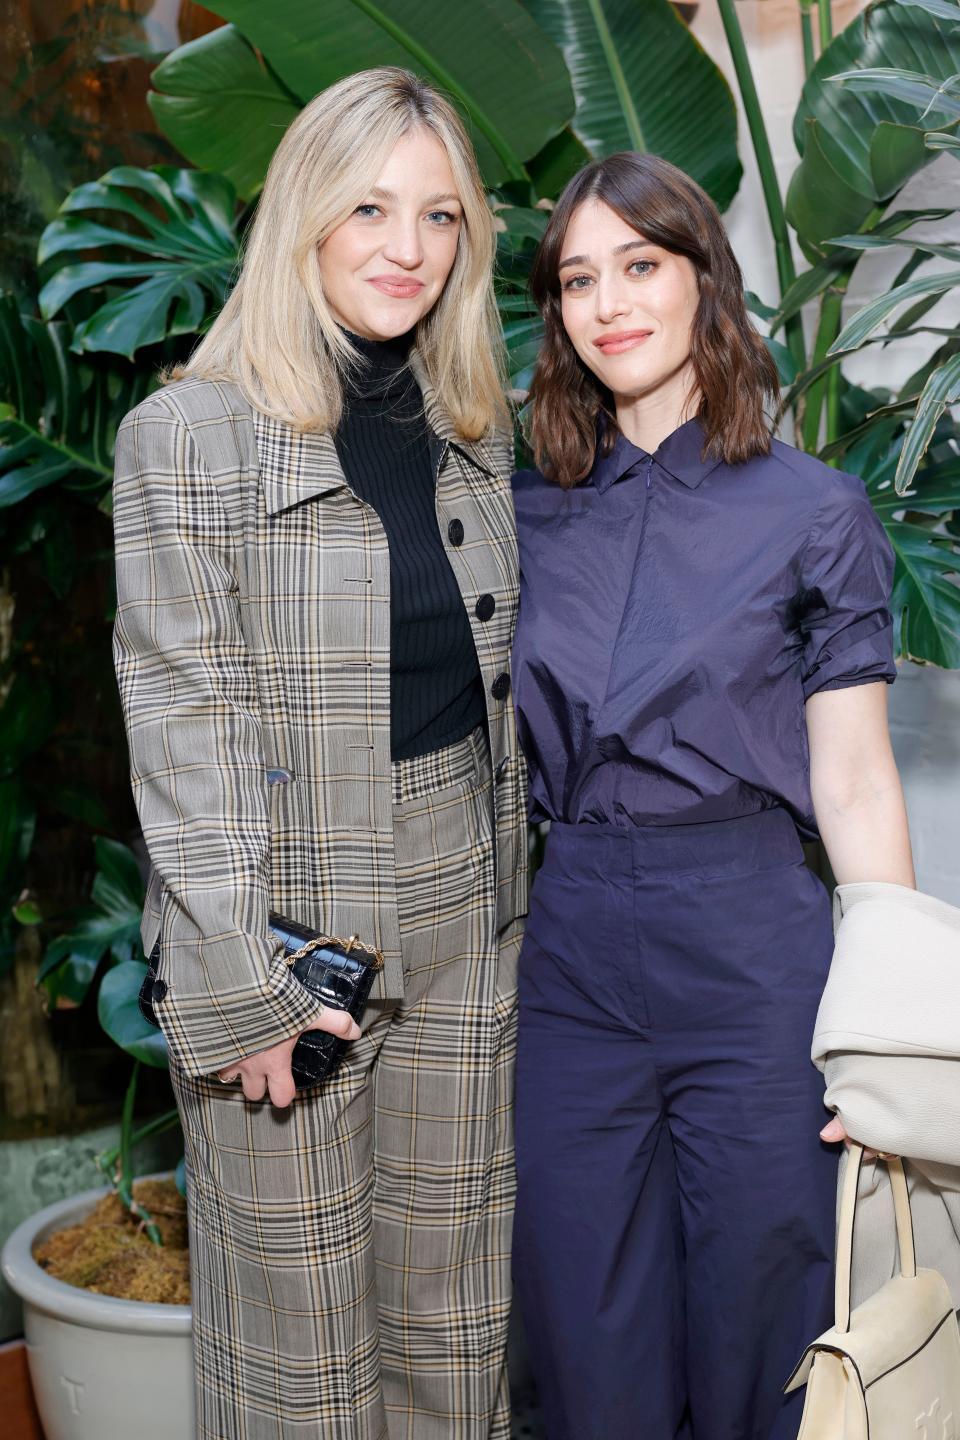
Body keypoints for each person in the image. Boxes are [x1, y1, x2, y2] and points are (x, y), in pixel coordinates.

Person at [112, 67, 527, 1440]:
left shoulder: (472, 427)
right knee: (301, 1361)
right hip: (283, 926)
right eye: (368, 208)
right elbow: (184, 726)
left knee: (451, 1319)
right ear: (302, 216)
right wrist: (242, 986)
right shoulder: (188, 438)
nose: (407, 248)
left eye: (440, 215)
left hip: (464, 902)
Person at [509, 152, 915, 1440]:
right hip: (572, 952)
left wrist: (888, 1031)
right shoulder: (519, 510)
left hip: (749, 947)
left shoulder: (815, 511)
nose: (610, 302)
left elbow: (851, 778)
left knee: (763, 1326)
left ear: (703, 281)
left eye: (641, 265)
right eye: (580, 278)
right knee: (584, 1333)